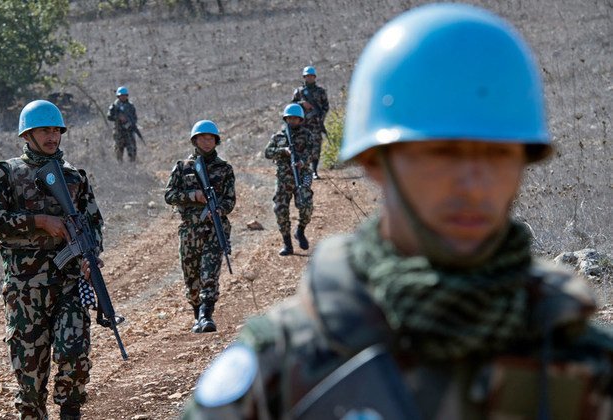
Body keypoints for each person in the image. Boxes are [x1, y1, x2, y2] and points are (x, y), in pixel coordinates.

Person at [184, 4, 613, 419]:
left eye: (499, 155)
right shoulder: (281, 371)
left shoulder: (588, 366)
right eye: (440, 154)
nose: (473, 184)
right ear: (374, 162)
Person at [0, 99, 104, 420]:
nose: (51, 136)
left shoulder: (75, 177)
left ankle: (70, 412)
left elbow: (93, 224)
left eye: (55, 130)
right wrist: (39, 221)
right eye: (43, 130)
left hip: (69, 284)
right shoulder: (7, 172)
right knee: (30, 378)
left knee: (74, 355)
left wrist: (92, 256)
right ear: (27, 135)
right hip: (25, 290)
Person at [164, 120, 236, 333]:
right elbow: (169, 195)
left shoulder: (224, 169)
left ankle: (206, 314)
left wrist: (219, 210)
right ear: (195, 140)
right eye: (202, 138)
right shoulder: (182, 167)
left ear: (216, 141)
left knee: (209, 273)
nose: (207, 142)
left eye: (210, 138)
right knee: (191, 275)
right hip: (189, 232)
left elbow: (230, 200)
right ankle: (197, 314)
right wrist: (192, 195)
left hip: (214, 229)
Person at [264, 104, 316, 256]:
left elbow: (311, 152)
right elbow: (267, 153)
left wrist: (302, 162)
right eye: (289, 118)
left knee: (306, 207)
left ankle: (300, 231)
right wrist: (283, 151)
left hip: (302, 176)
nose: (292, 120)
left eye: (295, 118)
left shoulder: (307, 135)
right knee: (280, 209)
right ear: (285, 119)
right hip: (283, 180)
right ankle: (287, 244)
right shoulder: (278, 136)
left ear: (300, 119)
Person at [291, 66, 328, 180]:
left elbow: (325, 107)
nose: (309, 78)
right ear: (304, 77)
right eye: (307, 76)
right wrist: (302, 104)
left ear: (315, 77)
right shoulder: (299, 92)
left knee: (316, 147)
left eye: (311, 76)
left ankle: (314, 170)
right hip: (302, 124)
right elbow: (292, 106)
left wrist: (320, 117)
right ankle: (301, 169)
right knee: (301, 145)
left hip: (315, 125)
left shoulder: (321, 91)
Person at [106, 86, 139, 162]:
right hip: (119, 133)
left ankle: (132, 168)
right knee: (118, 152)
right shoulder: (114, 106)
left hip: (129, 133)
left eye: (124, 95)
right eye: (121, 95)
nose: (123, 97)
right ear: (118, 96)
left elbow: (135, 118)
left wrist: (130, 123)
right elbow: (109, 116)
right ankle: (120, 169)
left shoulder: (130, 106)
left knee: (132, 152)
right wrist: (118, 118)